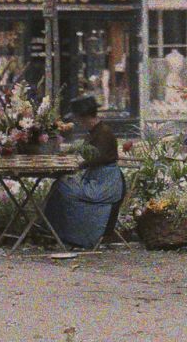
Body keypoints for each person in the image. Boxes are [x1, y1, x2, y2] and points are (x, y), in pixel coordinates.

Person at [41, 94, 126, 249]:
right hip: (97, 179)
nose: (77, 122)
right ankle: (56, 233)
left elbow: (93, 159)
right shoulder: (96, 131)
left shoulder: (103, 133)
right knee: (60, 186)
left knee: (63, 186)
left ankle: (72, 237)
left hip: (105, 184)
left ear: (84, 117)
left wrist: (75, 163)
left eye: (78, 118)